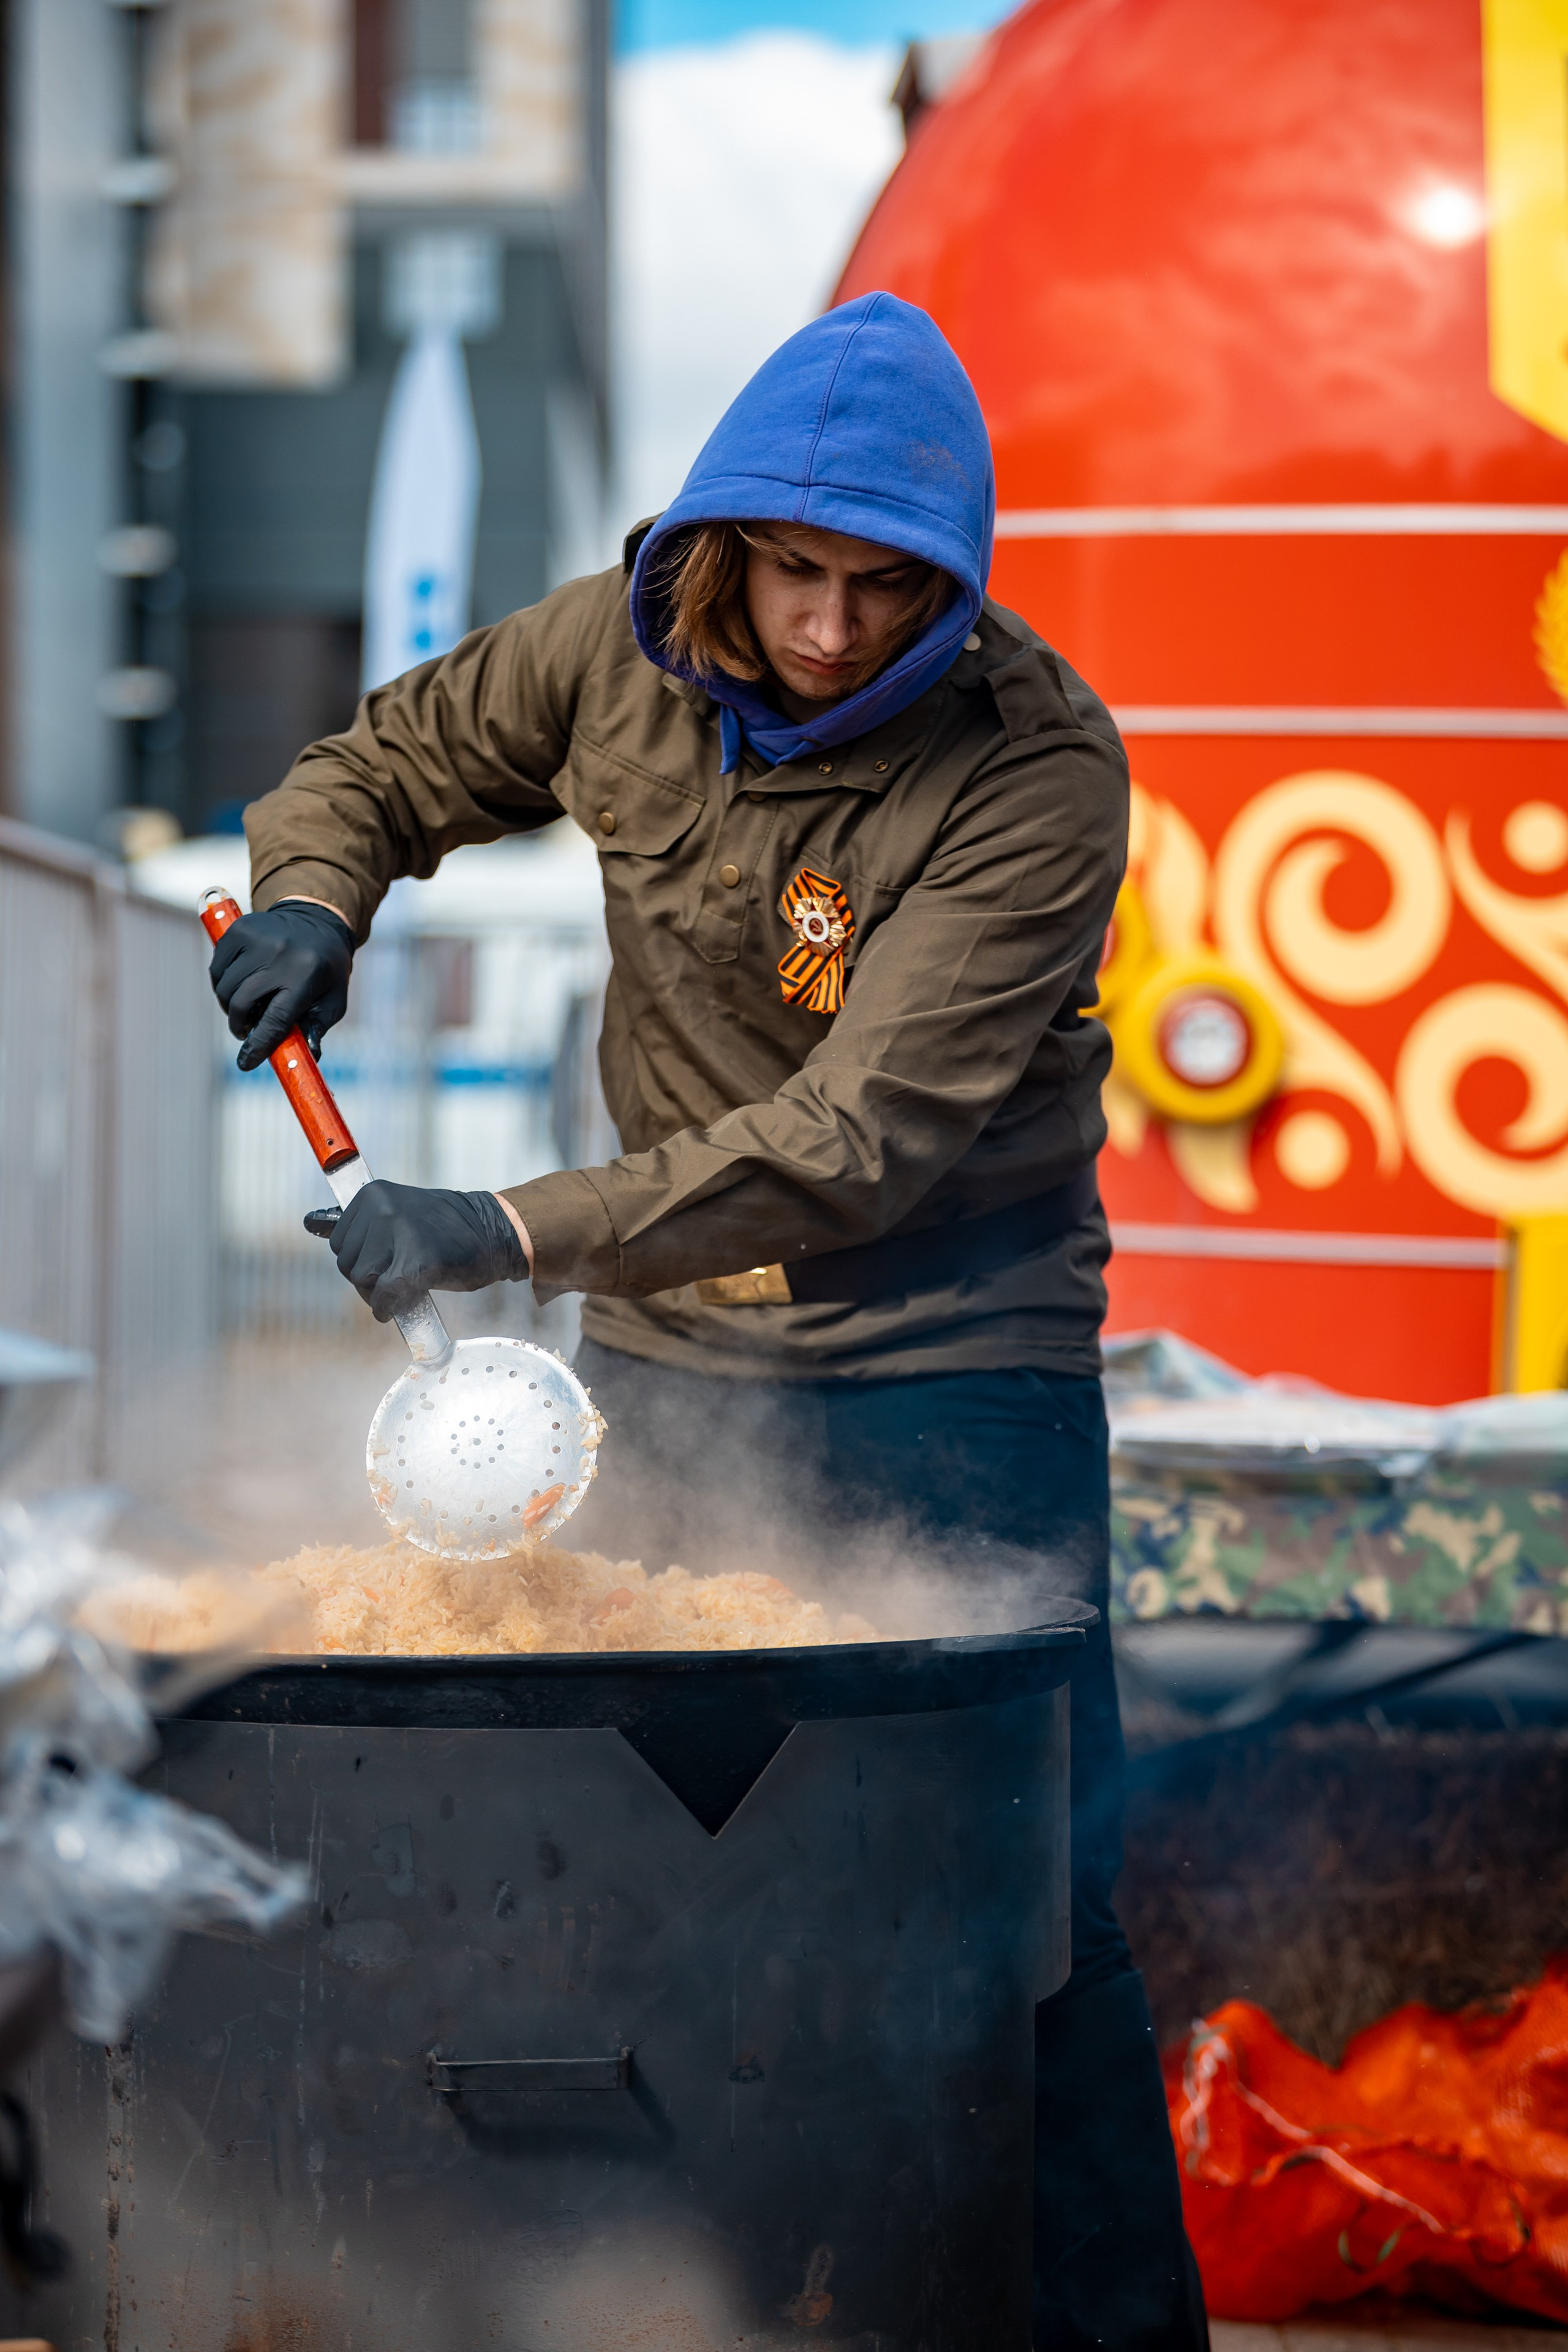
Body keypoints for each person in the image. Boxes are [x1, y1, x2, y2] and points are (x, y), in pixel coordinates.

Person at [209, 290, 1209, 2351]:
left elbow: (854, 1140)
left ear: (950, 586)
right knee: (647, 1855)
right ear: (720, 544)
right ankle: (693, 2307)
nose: (831, 628)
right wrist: (316, 887)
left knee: (1024, 1907)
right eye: (794, 571)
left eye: (880, 588)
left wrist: (494, 1226)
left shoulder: (1042, 766)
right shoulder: (607, 647)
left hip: (956, 1370)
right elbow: (383, 762)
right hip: (668, 1369)